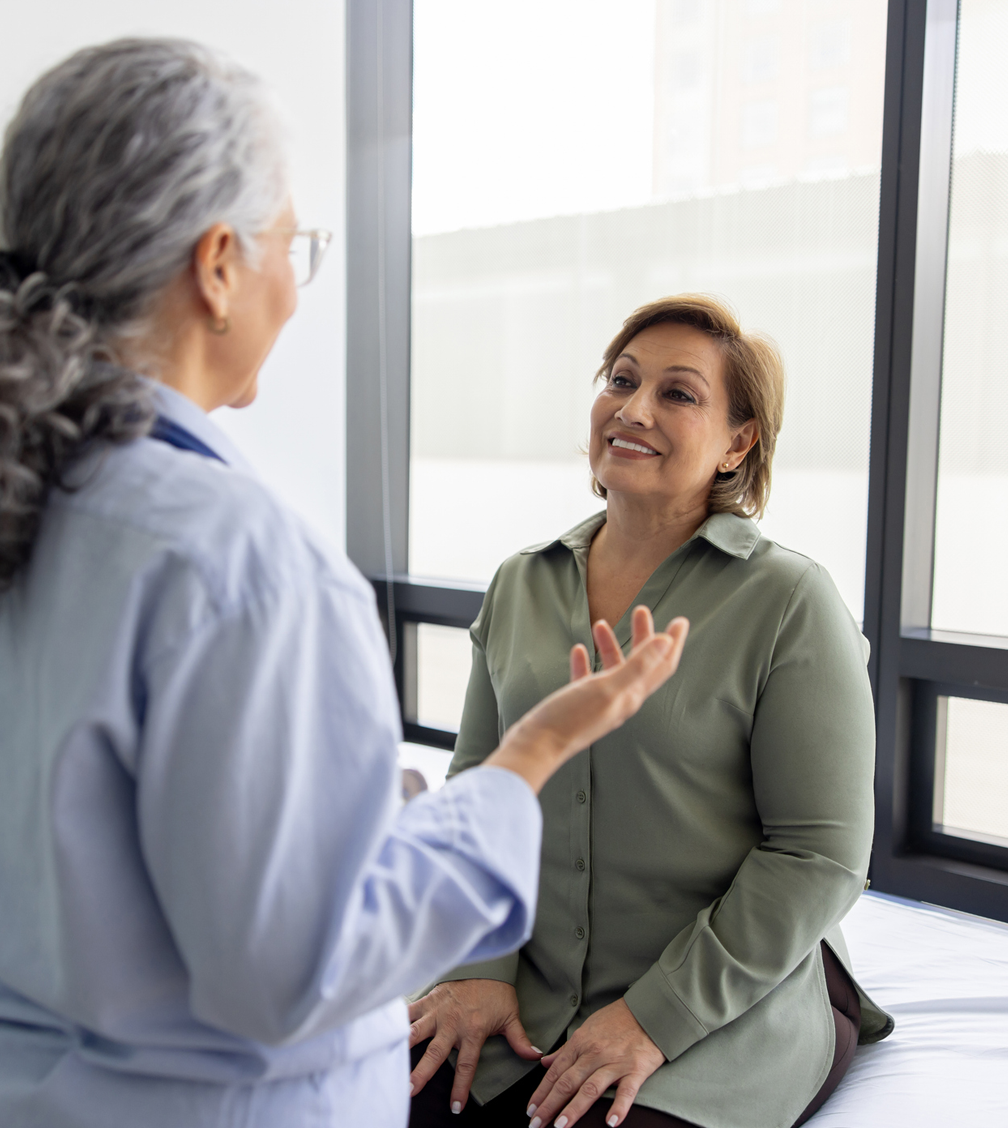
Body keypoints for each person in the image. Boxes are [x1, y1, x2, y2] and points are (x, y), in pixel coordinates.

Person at [0, 40, 690, 1128]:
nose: (634, 412)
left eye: (679, 395)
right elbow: (291, 970)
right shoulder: (238, 563)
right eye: (295, 244)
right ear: (218, 264)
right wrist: (528, 760)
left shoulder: (47, 503)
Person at [408, 295, 895, 1128]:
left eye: (678, 393)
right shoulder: (521, 583)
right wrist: (480, 964)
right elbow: (478, 790)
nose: (632, 409)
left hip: (719, 1004)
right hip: (526, 980)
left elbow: (819, 855)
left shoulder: (789, 600)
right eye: (621, 380)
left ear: (738, 442)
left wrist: (651, 1019)